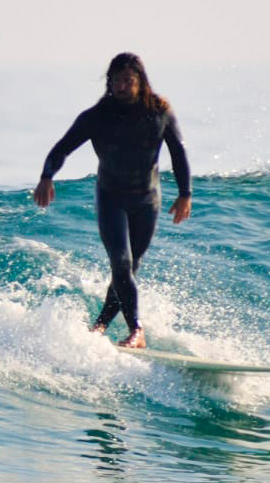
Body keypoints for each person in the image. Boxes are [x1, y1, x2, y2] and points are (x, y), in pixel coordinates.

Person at [32, 53, 192, 348]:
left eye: (128, 80)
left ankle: (101, 325)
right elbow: (62, 148)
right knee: (121, 262)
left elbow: (178, 153)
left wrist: (185, 194)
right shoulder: (97, 116)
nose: (121, 86)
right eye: (116, 80)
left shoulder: (159, 112)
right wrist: (46, 176)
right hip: (111, 199)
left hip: (147, 201)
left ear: (140, 81)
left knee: (128, 269)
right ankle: (136, 330)